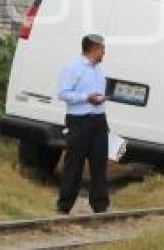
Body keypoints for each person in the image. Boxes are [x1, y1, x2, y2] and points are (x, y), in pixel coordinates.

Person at [56, 34, 110, 214]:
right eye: (102, 48)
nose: (104, 52)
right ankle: (64, 205)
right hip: (79, 121)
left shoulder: (98, 69)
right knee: (74, 164)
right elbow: (63, 93)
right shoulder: (73, 67)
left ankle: (100, 206)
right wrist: (86, 98)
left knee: (99, 164)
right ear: (94, 48)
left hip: (98, 120)